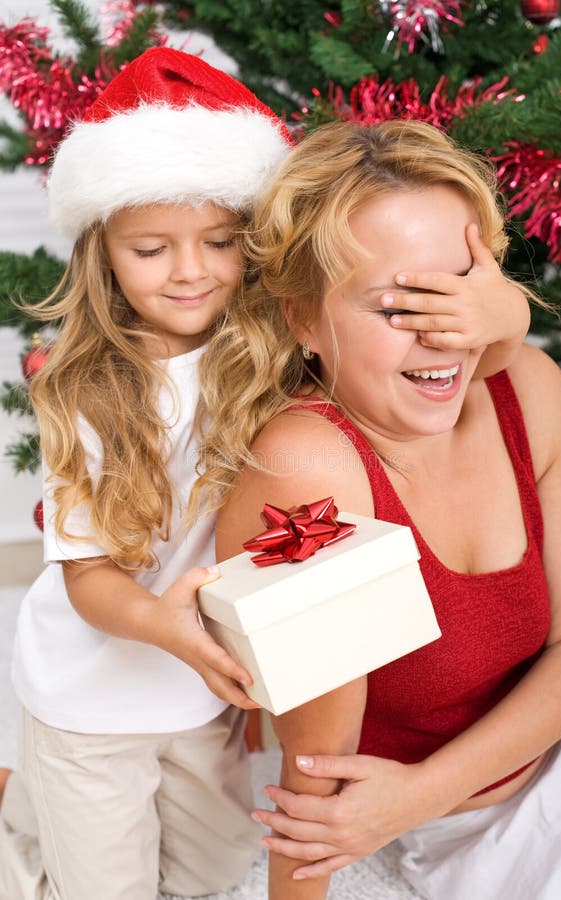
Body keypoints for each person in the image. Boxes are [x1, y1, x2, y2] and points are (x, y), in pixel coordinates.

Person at [194, 119, 561, 900]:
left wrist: (420, 791)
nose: (446, 335)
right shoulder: (309, 470)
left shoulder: (530, 387)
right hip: (487, 833)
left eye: (461, 287)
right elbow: (313, 791)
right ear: (301, 319)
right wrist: (418, 806)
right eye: (397, 306)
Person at [0, 47, 294, 900]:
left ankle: (30, 801)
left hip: (198, 692)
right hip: (90, 695)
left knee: (209, 871)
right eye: (153, 249)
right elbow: (87, 575)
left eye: (219, 242)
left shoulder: (265, 357)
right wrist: (165, 629)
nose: (191, 270)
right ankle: (26, 832)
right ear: (105, 255)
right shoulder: (92, 392)